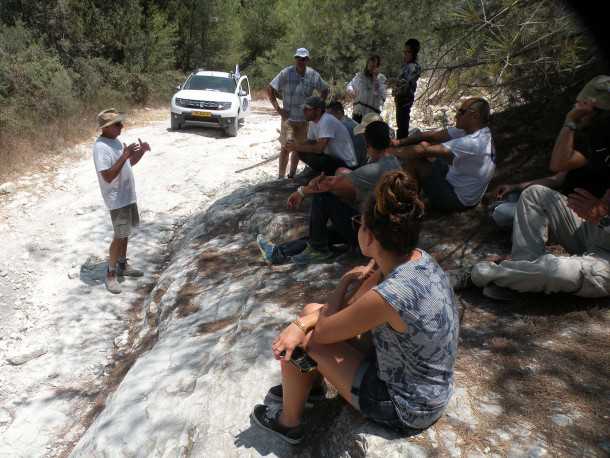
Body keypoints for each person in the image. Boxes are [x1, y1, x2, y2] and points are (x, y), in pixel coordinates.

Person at [250, 171, 459, 444]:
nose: (357, 227)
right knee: (312, 309)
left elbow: (323, 332)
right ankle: (309, 388)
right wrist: (339, 290)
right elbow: (350, 308)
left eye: (358, 223)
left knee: (305, 342)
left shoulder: (389, 294)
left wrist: (300, 325)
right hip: (426, 383)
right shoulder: (416, 260)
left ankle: (289, 423)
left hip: (406, 405)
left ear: (370, 237)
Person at [460, 75, 610, 300]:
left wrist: (603, 217)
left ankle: (478, 274)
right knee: (534, 194)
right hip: (591, 228)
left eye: (586, 107)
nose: (579, 110)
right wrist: (569, 122)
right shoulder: (599, 143)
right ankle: (523, 270)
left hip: (605, 253)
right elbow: (557, 167)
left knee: (557, 272)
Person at [257, 121, 401, 264]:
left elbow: (330, 185)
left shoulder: (374, 169)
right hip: (379, 232)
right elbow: (343, 180)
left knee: (323, 197)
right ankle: (278, 253)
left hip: (369, 234)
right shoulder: (393, 162)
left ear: (369, 144)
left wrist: (302, 191)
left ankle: (318, 250)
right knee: (320, 235)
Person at [392, 97, 495, 212]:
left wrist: (389, 152)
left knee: (416, 161)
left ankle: (409, 205)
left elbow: (421, 151)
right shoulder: (478, 132)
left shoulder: (473, 142)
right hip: (463, 186)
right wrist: (399, 142)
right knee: (426, 145)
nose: (456, 115)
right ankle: (415, 191)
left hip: (458, 200)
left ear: (474, 116)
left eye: (461, 112)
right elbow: (431, 136)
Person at [93, 109, 151, 294]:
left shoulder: (115, 141)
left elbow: (126, 164)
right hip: (116, 199)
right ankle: (110, 274)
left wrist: (140, 153)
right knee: (119, 236)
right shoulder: (101, 147)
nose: (121, 126)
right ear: (107, 127)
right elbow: (108, 176)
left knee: (125, 233)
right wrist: (125, 155)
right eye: (117, 124)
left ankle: (122, 265)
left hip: (127, 196)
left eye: (120, 123)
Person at [268, 48, 329, 179]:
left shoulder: (313, 75)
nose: (301, 61)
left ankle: (291, 176)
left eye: (304, 59)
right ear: (295, 59)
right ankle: (280, 177)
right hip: (288, 119)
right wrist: (278, 109)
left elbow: (325, 89)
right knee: (285, 148)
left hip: (304, 121)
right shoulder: (286, 73)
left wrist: (319, 105)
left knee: (298, 149)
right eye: (299, 58)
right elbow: (270, 88)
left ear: (307, 60)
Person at [285, 96, 358, 176]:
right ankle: (292, 175)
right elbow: (311, 141)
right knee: (300, 150)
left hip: (346, 164)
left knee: (304, 151)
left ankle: (324, 174)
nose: (304, 111)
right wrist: (296, 144)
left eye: (307, 109)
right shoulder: (313, 121)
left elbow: (319, 149)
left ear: (318, 110)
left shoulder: (326, 120)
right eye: (304, 109)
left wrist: (297, 146)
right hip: (333, 159)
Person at [391, 39, 421, 139]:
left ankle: (402, 149)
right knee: (401, 125)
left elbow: (406, 82)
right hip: (400, 100)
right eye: (404, 52)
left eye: (407, 52)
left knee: (402, 127)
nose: (404, 54)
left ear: (413, 53)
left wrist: (394, 82)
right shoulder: (406, 66)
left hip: (405, 100)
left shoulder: (413, 67)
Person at [325, 101, 368, 168]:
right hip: (361, 162)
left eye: (329, 115)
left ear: (339, 113)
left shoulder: (342, 126)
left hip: (353, 165)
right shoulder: (352, 122)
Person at [346, 54, 387, 123]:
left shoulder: (381, 79)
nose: (371, 69)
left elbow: (382, 97)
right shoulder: (360, 76)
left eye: (374, 67)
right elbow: (350, 85)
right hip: (358, 113)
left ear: (378, 67)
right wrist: (351, 90)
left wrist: (375, 80)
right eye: (370, 66)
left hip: (372, 116)